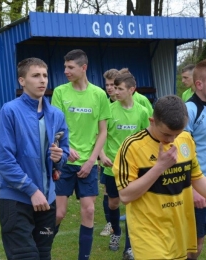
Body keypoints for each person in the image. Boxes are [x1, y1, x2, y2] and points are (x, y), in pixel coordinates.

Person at [0, 57, 70, 260]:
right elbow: (3, 160)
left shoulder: (56, 114)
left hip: (47, 201)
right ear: (22, 81)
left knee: (44, 255)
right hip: (16, 200)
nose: (42, 80)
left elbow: (65, 151)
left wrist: (59, 157)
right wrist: (31, 190)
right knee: (25, 257)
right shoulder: (9, 111)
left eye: (44, 75)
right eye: (35, 76)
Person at [113, 95, 206, 260]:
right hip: (148, 232)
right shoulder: (132, 146)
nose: (171, 140)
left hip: (178, 229)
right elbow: (126, 196)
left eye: (176, 135)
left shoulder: (186, 140)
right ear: (152, 121)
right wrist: (160, 167)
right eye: (166, 134)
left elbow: (197, 178)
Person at [51, 49, 111, 260]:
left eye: (70, 67)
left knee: (89, 211)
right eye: (65, 66)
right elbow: (54, 127)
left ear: (83, 68)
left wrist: (93, 160)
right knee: (58, 213)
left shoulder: (99, 94)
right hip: (64, 163)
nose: (65, 70)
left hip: (88, 164)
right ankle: (43, 248)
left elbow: (103, 131)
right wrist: (66, 148)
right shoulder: (59, 92)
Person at [99, 71, 149, 259]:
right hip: (111, 166)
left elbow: (146, 138)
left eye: (120, 89)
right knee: (113, 204)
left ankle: (129, 246)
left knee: (131, 205)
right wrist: (101, 155)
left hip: (133, 168)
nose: (115, 92)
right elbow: (101, 135)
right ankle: (116, 233)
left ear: (131, 90)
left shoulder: (142, 112)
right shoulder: (109, 110)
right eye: (114, 88)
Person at [185, 60, 206, 260]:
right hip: (198, 187)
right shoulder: (190, 110)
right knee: (196, 245)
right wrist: (191, 189)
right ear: (199, 84)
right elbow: (179, 155)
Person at [99, 68, 118, 237]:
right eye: (107, 85)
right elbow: (100, 133)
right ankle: (110, 225)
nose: (110, 88)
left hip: (131, 162)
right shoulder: (105, 104)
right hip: (109, 161)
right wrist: (101, 155)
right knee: (108, 193)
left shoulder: (140, 103)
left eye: (113, 85)